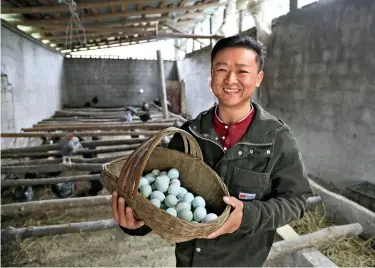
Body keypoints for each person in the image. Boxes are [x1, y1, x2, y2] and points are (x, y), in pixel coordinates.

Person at [111, 35, 313, 267]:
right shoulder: (188, 135)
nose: (231, 79)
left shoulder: (277, 140)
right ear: (211, 75)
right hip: (189, 261)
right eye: (222, 69)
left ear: (258, 78)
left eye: (242, 71)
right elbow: (165, 197)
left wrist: (247, 216)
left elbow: (296, 201)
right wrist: (139, 221)